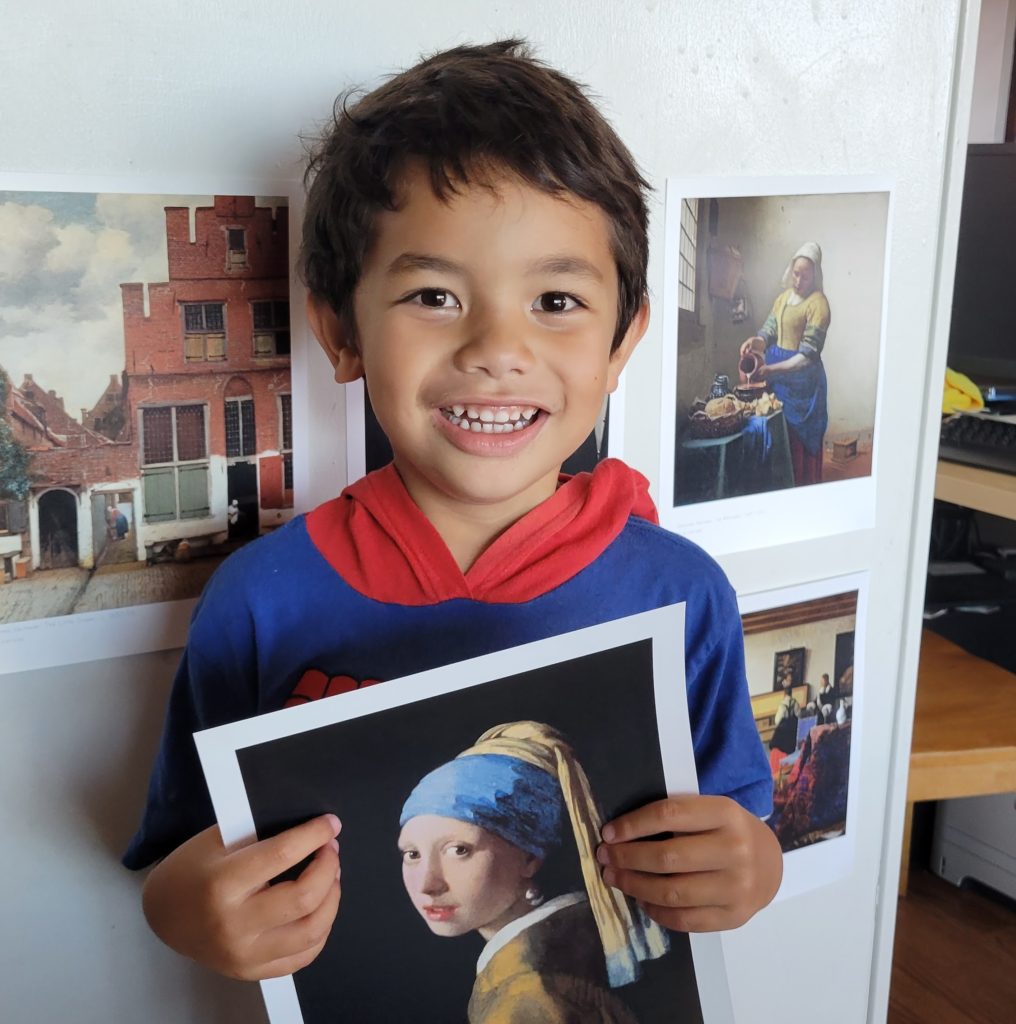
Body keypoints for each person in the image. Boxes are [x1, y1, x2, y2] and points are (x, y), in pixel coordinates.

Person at [126, 40, 782, 988]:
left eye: (555, 300)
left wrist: (749, 869)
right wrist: (189, 912)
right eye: (434, 295)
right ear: (340, 332)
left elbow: (733, 830)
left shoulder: (681, 592)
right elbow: (179, 860)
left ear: (622, 340)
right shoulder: (259, 600)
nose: (497, 348)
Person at [399, 721, 665, 1023]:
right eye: (412, 854)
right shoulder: (570, 951)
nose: (427, 884)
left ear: (529, 857)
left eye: (459, 850)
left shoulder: (528, 997)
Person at [740, 242, 831, 485]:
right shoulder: (782, 299)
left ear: (815, 276)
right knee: (780, 438)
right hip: (777, 382)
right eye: (796, 273)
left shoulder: (818, 304)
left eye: (805, 276)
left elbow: (807, 356)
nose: (798, 280)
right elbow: (767, 334)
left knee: (799, 444)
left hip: (803, 383)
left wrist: (771, 370)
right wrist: (754, 342)